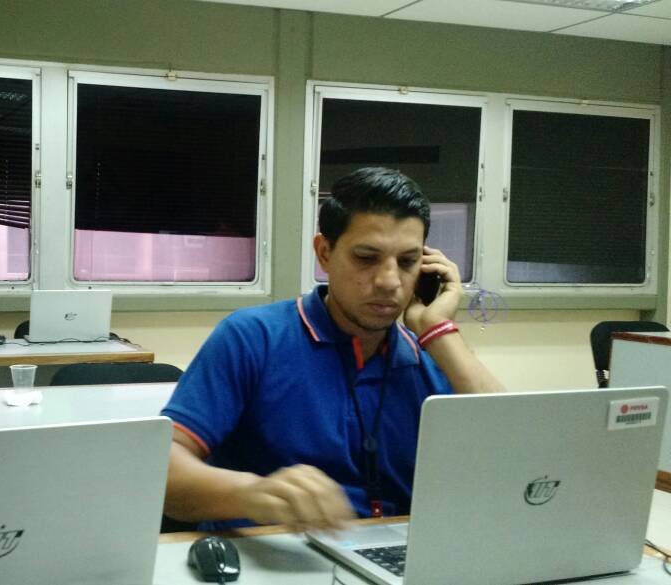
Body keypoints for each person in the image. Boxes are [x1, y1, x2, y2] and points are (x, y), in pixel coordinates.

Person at [161, 167, 504, 532]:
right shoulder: (253, 337)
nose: (389, 281)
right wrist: (253, 493)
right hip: (272, 550)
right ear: (324, 253)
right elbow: (165, 471)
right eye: (366, 258)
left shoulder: (431, 355)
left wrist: (438, 331)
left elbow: (517, 459)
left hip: (397, 552)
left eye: (407, 261)